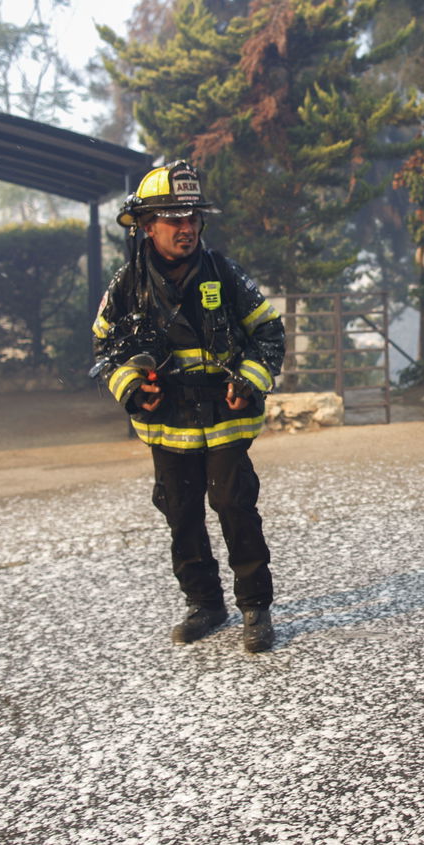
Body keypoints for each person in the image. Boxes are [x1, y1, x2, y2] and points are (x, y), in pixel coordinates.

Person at [92, 160, 285, 652]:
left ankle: (255, 607)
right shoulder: (127, 285)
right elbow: (104, 347)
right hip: (168, 423)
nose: (187, 228)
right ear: (146, 226)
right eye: (174, 219)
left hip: (225, 418)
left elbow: (269, 332)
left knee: (233, 505)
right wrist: (132, 387)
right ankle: (204, 604)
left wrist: (248, 380)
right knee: (181, 513)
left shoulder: (224, 273)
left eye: (193, 217)